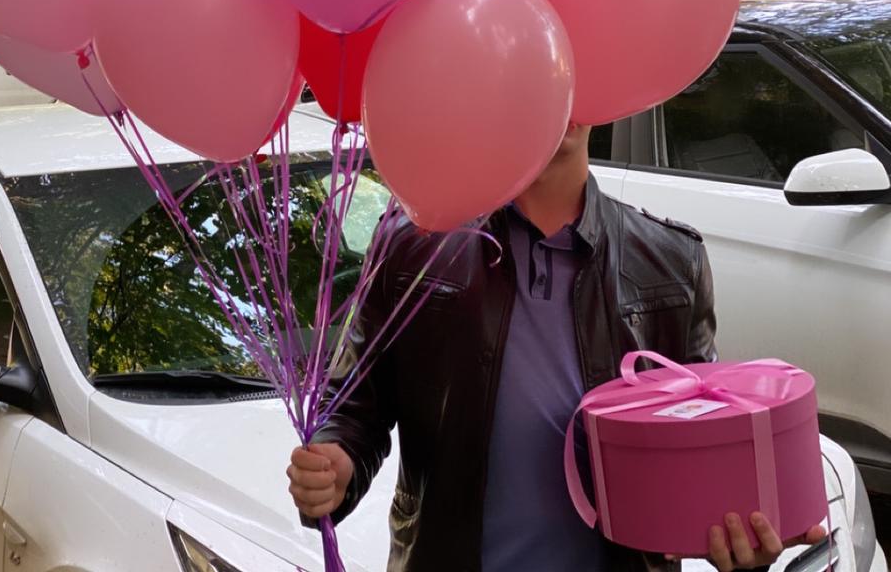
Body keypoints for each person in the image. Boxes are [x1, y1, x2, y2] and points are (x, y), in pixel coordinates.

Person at [287, 123, 825, 572]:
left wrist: (744, 547)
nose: (556, 89)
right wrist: (336, 463)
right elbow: (355, 409)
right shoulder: (414, 247)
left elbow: (704, 451)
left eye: (573, 68)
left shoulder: (670, 262)